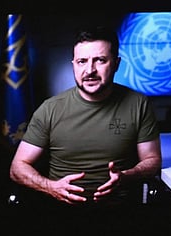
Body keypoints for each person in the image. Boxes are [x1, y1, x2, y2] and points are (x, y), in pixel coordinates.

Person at [10, 25, 162, 207]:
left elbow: (152, 161)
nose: (90, 70)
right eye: (82, 61)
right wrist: (50, 187)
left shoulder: (138, 104)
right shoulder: (50, 109)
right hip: (61, 214)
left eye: (100, 60)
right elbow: (17, 168)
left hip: (120, 211)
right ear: (73, 65)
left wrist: (127, 176)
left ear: (116, 64)